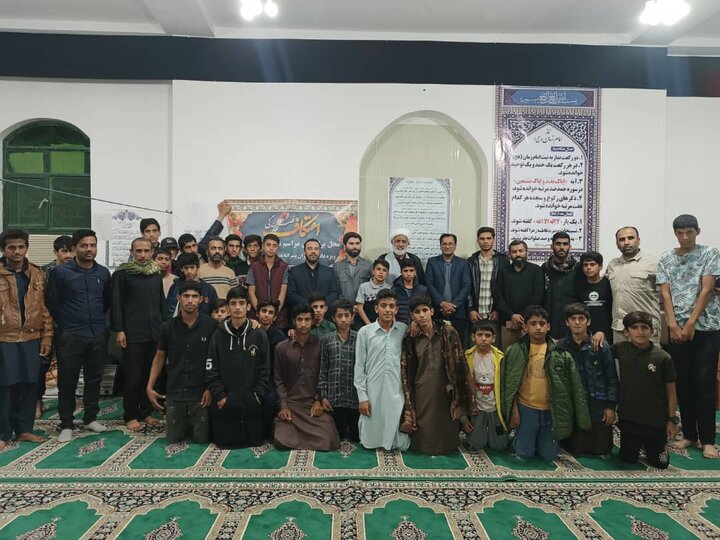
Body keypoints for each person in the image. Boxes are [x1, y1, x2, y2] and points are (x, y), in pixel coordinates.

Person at [657, 214, 720, 459]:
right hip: (677, 330)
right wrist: (672, 324)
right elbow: (665, 293)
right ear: (675, 234)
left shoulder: (710, 253)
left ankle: (708, 440)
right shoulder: (666, 258)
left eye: (689, 233)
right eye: (680, 233)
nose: (684, 237)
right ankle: (690, 435)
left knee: (704, 383)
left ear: (697, 232)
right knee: (683, 382)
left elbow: (707, 289)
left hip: (706, 327)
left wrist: (692, 322)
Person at [46, 229, 112, 443]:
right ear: (75, 248)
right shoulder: (60, 273)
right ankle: (66, 423)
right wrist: (66, 324)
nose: (89, 249)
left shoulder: (103, 273)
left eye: (93, 245)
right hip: (70, 335)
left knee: (94, 379)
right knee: (67, 381)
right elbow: (52, 302)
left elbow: (106, 302)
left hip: (97, 334)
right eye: (84, 246)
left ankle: (90, 418)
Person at [500, 305, 590, 460]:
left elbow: (576, 388)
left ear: (548, 327)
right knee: (524, 453)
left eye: (542, 324)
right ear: (525, 327)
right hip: (526, 408)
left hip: (551, 410)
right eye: (533, 323)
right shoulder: (514, 351)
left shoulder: (560, 353)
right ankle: (518, 440)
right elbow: (507, 386)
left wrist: (581, 419)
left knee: (549, 455)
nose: (538, 328)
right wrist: (513, 411)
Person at [399, 295, 472, 455]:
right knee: (424, 437)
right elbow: (406, 372)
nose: (422, 315)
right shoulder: (410, 338)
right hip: (422, 389)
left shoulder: (448, 332)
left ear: (432, 311)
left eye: (425, 310)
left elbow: (460, 365)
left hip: (446, 388)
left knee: (447, 429)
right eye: (417, 312)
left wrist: (459, 401)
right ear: (412, 315)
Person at [0, 230, 52, 449]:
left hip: (32, 337)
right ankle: (3, 433)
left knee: (29, 384)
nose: (17, 252)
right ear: (4, 250)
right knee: (5, 386)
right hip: (5, 338)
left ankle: (24, 430)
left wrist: (47, 336)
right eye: (12, 247)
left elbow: (44, 308)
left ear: (27, 248)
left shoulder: (38, 274)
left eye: (21, 247)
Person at [146, 281, 215, 444]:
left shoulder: (211, 326)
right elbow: (159, 357)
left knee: (202, 439)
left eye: (194, 296)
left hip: (201, 394)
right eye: (186, 296)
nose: (190, 300)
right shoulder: (167, 327)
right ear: (179, 298)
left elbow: (216, 360)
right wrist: (150, 387)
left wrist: (211, 388)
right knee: (173, 439)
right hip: (175, 391)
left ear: (201, 299)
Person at [111, 237, 166, 431]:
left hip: (154, 333)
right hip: (132, 334)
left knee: (149, 376)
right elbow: (116, 303)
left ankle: (146, 412)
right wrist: (119, 330)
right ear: (132, 252)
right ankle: (130, 415)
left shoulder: (155, 273)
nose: (143, 255)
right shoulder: (123, 274)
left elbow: (161, 302)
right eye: (139, 251)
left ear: (152, 252)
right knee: (133, 376)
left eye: (146, 251)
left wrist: (164, 329)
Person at [205, 286, 270, 448]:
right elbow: (211, 367)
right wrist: (220, 395)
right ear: (228, 307)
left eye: (241, 303)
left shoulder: (259, 334)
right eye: (233, 303)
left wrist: (258, 395)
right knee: (224, 442)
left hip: (252, 402)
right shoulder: (218, 334)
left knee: (254, 441)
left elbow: (265, 369)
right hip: (225, 402)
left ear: (248, 306)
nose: (237, 307)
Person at [613, 311, 678, 469]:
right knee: (628, 459)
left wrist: (672, 420)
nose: (640, 332)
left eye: (644, 327)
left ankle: (653, 445)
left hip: (655, 421)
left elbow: (671, 391)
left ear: (652, 331)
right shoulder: (620, 349)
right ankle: (637, 444)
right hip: (629, 419)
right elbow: (599, 349)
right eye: (634, 328)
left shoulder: (662, 357)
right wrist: (599, 334)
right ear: (626, 332)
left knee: (661, 463)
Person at [273, 304, 340, 451]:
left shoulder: (321, 344)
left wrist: (318, 400)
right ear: (293, 321)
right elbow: (279, 380)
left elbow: (326, 375)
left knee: (330, 440)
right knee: (280, 440)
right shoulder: (281, 348)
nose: (303, 324)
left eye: (307, 320)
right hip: (292, 404)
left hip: (313, 405)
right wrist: (283, 406)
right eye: (300, 320)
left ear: (312, 321)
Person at [557, 304, 618, 456]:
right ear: (567, 322)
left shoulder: (601, 346)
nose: (577, 322)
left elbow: (611, 378)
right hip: (573, 406)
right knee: (574, 448)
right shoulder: (560, 347)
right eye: (573, 319)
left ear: (588, 321)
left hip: (597, 405)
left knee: (601, 449)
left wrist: (611, 406)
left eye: (581, 318)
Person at [354, 289, 410, 451]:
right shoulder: (365, 332)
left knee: (398, 433)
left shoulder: (403, 330)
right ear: (376, 308)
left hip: (396, 388)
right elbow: (359, 367)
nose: (388, 310)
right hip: (373, 389)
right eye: (383, 306)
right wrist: (362, 397)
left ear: (396, 309)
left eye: (391, 306)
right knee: (371, 434)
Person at [606, 226, 661, 344]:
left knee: (650, 357)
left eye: (630, 238)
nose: (626, 242)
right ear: (617, 244)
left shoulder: (654, 263)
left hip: (645, 328)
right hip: (620, 329)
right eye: (622, 239)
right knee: (620, 357)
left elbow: (667, 295)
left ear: (638, 240)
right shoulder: (612, 265)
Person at [462, 320, 508, 451]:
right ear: (473, 337)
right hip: (477, 408)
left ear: (494, 338)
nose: (483, 339)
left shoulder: (500, 358)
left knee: (499, 446)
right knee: (475, 444)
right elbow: (461, 388)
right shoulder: (466, 357)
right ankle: (477, 432)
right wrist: (464, 418)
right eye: (479, 335)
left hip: (495, 408)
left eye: (487, 335)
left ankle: (498, 434)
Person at [318, 299, 360, 441]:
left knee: (356, 438)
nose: (343, 319)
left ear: (352, 317)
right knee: (336, 437)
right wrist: (323, 396)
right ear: (333, 318)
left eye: (347, 315)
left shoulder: (360, 338)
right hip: (334, 398)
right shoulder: (327, 340)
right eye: (339, 316)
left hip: (355, 397)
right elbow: (323, 368)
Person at [494, 240, 545, 348]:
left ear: (527, 252)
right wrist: (512, 315)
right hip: (508, 323)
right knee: (509, 355)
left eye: (521, 251)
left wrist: (522, 316)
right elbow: (499, 296)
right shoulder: (503, 271)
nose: (518, 254)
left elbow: (538, 296)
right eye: (514, 252)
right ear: (509, 254)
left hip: (529, 323)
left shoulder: (536, 270)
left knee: (531, 355)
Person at [424, 233, 472, 343]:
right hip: (438, 312)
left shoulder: (463, 263)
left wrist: (453, 305)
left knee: (459, 344)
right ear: (440, 246)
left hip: (458, 312)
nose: (447, 246)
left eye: (450, 244)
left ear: (455, 246)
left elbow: (466, 285)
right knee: (437, 345)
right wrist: (442, 303)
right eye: (444, 244)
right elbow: (429, 284)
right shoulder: (432, 262)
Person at [255, 297, 287, 438]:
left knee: (270, 399)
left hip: (272, 379)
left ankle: (266, 432)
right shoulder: (250, 332)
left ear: (274, 318)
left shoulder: (280, 337)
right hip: (252, 377)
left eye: (270, 313)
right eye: (263, 311)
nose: (266, 315)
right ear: (257, 313)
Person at [287, 238, 340, 318]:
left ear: (319, 252)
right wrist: (309, 305)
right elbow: (291, 294)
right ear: (304, 252)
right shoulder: (294, 271)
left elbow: (334, 292)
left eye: (316, 249)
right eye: (309, 248)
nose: (313, 251)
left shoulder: (329, 271)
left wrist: (321, 306)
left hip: (325, 317)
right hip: (302, 316)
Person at [542, 231, 580, 339]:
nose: (562, 247)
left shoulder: (578, 268)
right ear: (552, 246)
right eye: (558, 244)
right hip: (551, 318)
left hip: (573, 320)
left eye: (565, 244)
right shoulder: (545, 268)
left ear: (570, 247)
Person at [247, 234, 289, 329]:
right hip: (257, 318)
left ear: (278, 248)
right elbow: (251, 292)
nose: (271, 248)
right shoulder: (254, 266)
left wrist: (274, 313)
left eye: (274, 246)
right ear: (262, 246)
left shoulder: (284, 267)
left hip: (278, 319)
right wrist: (260, 312)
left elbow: (283, 292)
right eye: (268, 245)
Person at [467, 227, 506, 329]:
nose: (485, 241)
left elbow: (505, 288)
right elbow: (467, 288)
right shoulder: (471, 261)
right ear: (477, 241)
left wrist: (498, 310)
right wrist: (471, 309)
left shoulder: (503, 261)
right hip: (476, 314)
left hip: (494, 314)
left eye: (488, 238)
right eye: (482, 239)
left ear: (494, 240)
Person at [334, 232, 372, 325]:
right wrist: (347, 307)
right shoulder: (337, 266)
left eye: (357, 243)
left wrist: (359, 306)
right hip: (344, 314)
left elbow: (371, 289)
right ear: (345, 246)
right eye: (351, 243)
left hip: (364, 313)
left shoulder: (369, 265)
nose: (355, 246)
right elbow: (335, 290)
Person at [576, 251, 613, 344]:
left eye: (592, 264)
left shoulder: (609, 284)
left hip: (606, 334)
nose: (588, 268)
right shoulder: (578, 286)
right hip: (584, 334)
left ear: (600, 266)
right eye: (585, 265)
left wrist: (605, 333)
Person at [166, 253, 218, 318]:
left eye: (192, 267)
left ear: (198, 267)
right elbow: (169, 311)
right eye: (186, 268)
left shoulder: (208, 289)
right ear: (181, 269)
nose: (189, 271)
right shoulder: (175, 287)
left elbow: (215, 311)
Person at [392, 258, 428, 325]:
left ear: (415, 272)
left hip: (418, 325)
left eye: (411, 270)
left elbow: (426, 311)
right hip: (399, 325)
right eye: (405, 271)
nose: (408, 274)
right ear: (401, 272)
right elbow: (392, 310)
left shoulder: (423, 290)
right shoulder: (394, 290)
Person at [355, 259, 391, 326]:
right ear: (373, 271)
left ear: (387, 274)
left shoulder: (389, 289)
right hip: (365, 324)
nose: (381, 272)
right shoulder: (363, 287)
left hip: (384, 324)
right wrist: (369, 325)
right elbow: (359, 308)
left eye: (384, 270)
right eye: (378, 269)